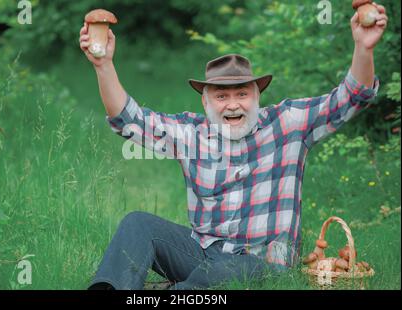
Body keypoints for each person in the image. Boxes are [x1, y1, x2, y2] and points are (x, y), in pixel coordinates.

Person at [79, 3, 387, 290]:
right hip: (202, 254)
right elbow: (128, 120)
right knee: (138, 224)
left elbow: (353, 96)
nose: (232, 105)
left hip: (263, 265)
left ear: (257, 96)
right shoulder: (192, 134)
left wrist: (364, 46)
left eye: (242, 94)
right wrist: (103, 65)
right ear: (206, 101)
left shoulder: (289, 123)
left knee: (226, 274)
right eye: (221, 96)